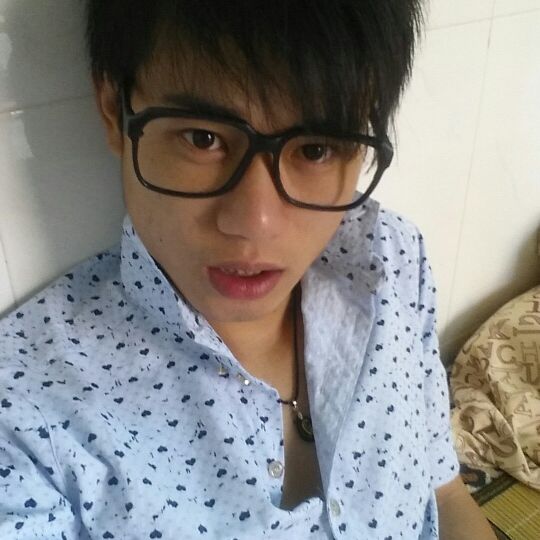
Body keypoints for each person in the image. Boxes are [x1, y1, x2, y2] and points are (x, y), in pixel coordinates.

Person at [0, 1, 497, 539]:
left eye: (315, 149)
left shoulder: (391, 260)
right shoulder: (27, 414)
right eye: (203, 139)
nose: (255, 223)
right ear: (113, 110)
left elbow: (443, 492)